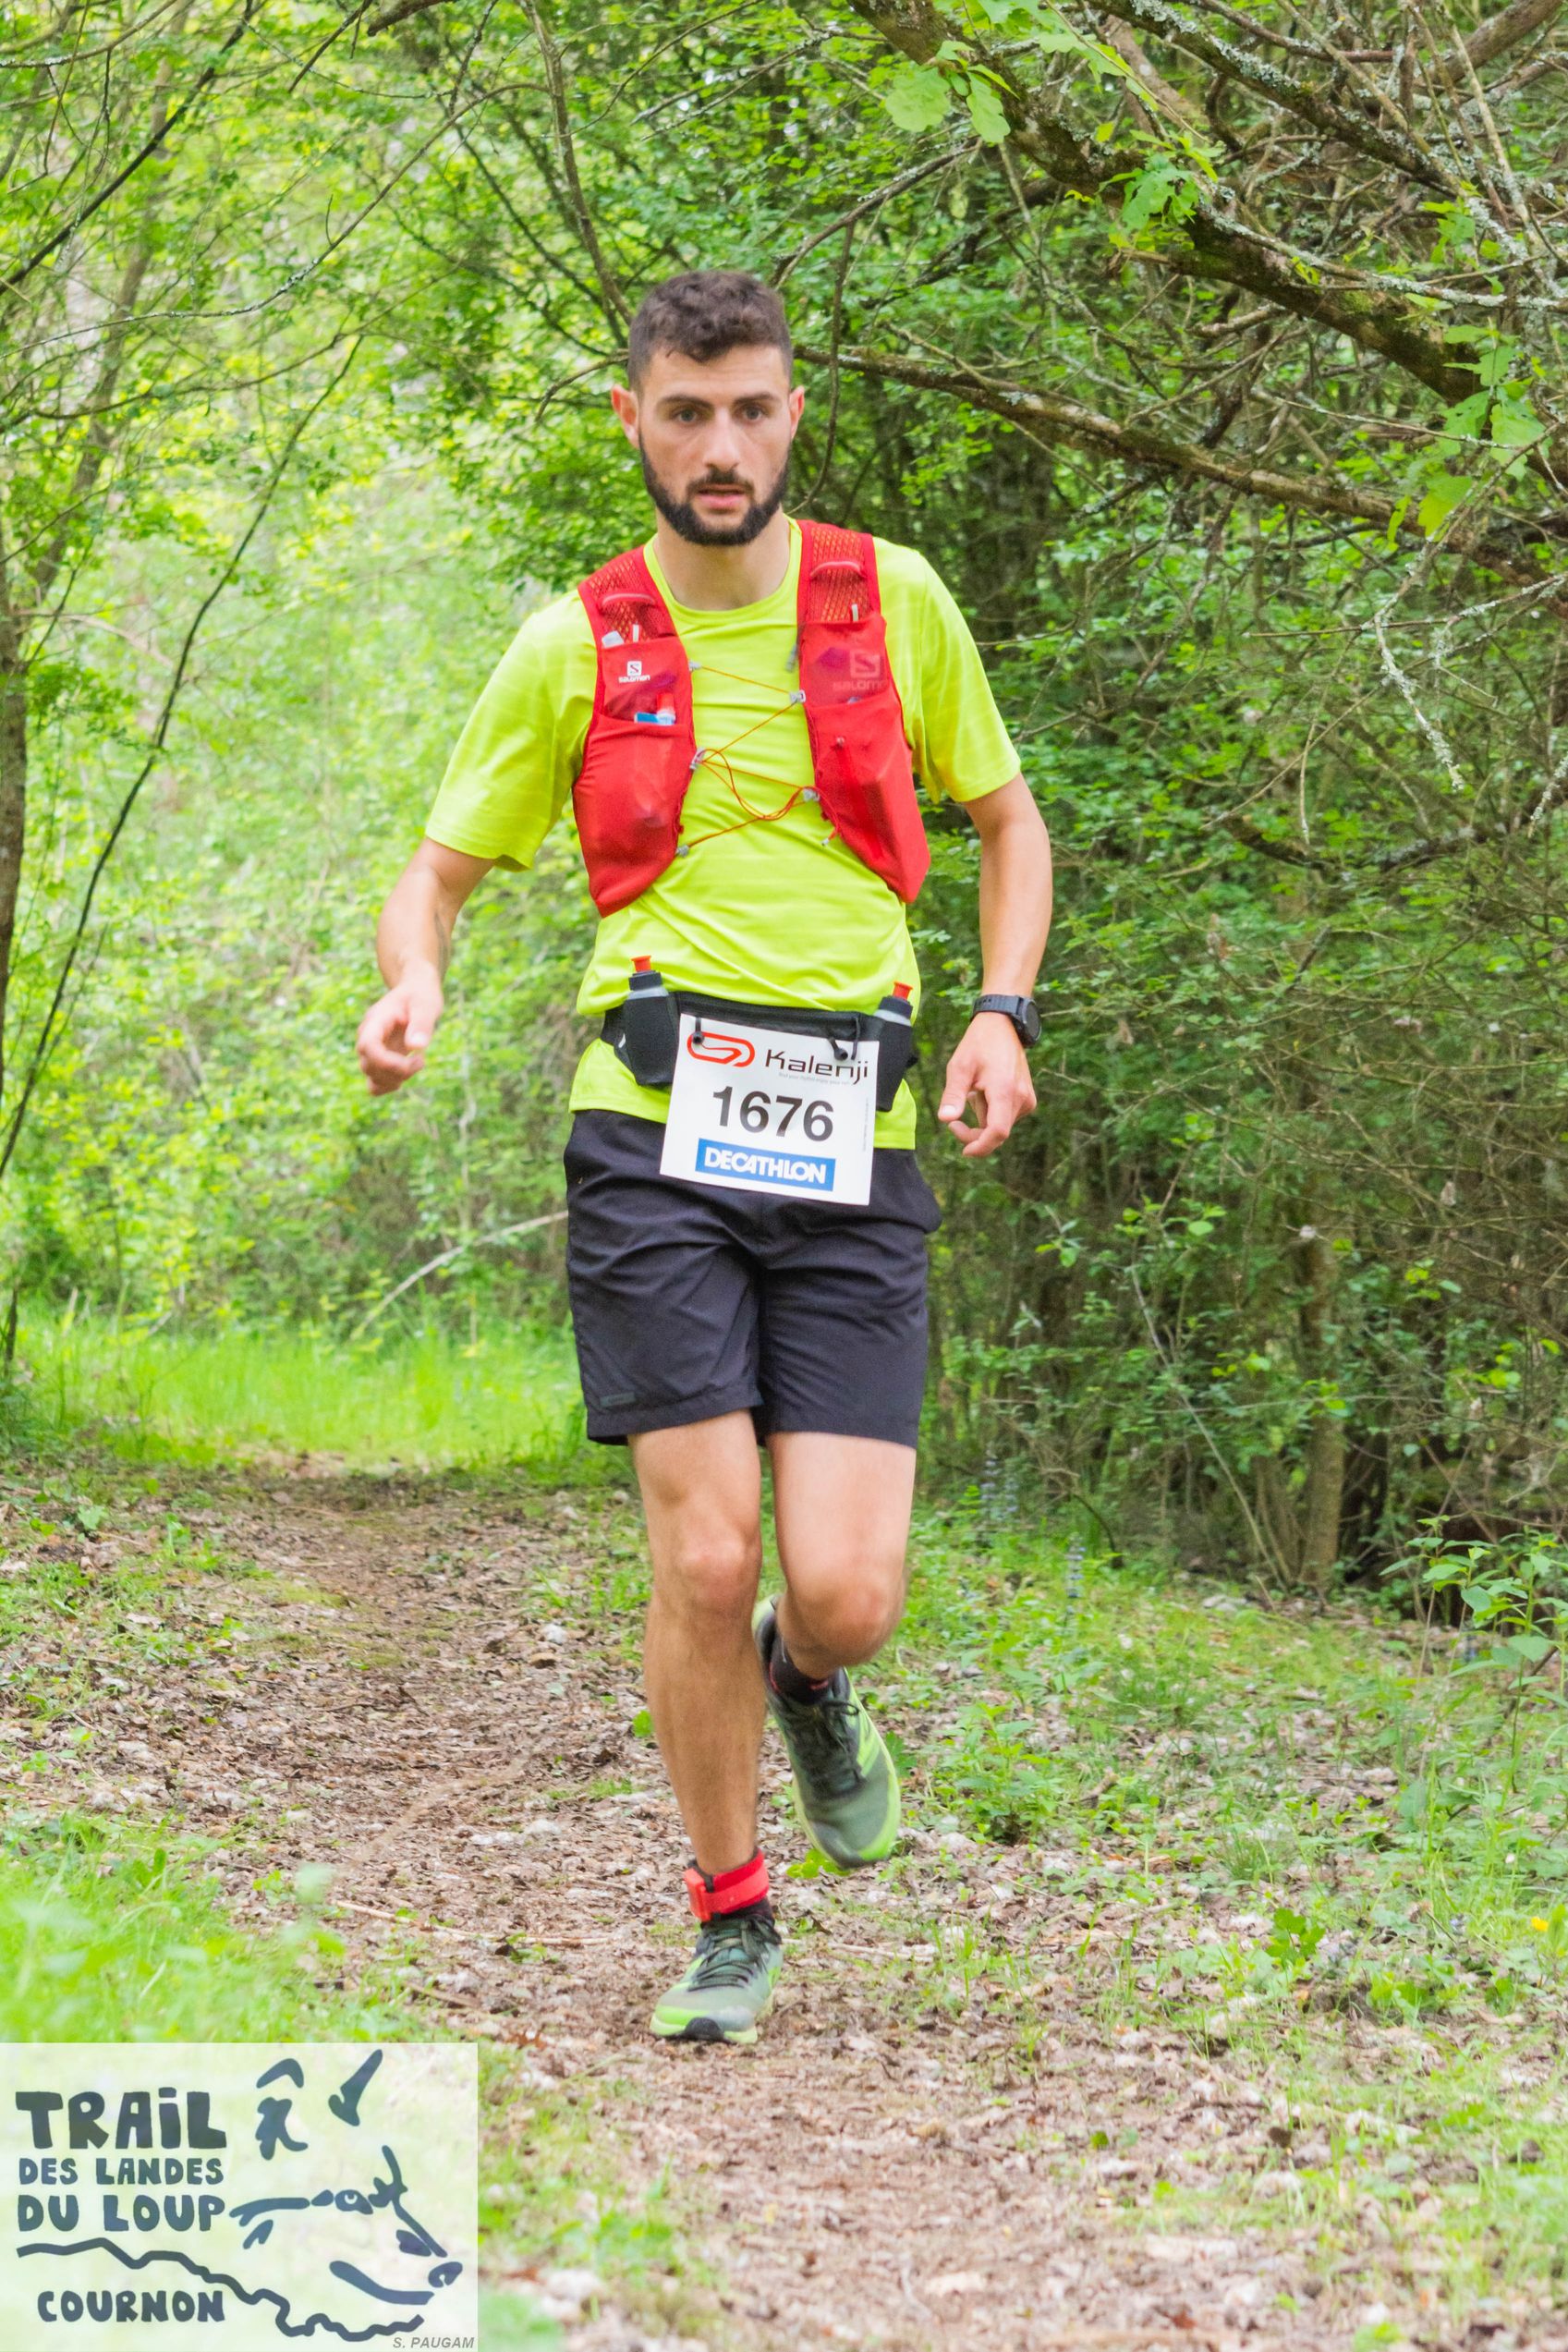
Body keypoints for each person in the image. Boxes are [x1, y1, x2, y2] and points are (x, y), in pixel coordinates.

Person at [358, 270, 1051, 2046]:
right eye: (686, 413)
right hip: (650, 1132)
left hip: (854, 1133)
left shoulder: (892, 599)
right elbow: (436, 872)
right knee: (704, 1554)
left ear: (792, 411)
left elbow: (1006, 822)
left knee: (844, 1593)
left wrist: (1000, 1011)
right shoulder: (575, 641)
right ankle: (732, 1909)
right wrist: (414, 978)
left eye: (750, 409)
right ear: (636, 422)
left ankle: (805, 1681)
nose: (720, 446)